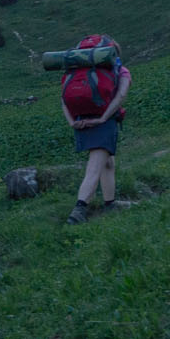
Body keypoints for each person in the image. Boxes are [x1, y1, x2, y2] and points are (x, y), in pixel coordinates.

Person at [61, 43, 130, 224]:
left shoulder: (77, 71)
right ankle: (79, 210)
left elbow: (64, 98)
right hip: (103, 122)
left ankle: (110, 204)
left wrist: (72, 123)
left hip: (81, 121)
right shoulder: (120, 71)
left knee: (107, 163)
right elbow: (121, 95)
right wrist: (103, 118)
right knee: (94, 167)